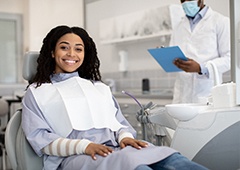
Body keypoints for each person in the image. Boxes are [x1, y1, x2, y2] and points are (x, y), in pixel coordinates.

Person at [21, 25, 208, 170]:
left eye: (78, 49)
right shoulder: (38, 93)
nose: (72, 54)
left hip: (118, 148)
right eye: (64, 48)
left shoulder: (99, 88)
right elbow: (41, 139)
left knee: (173, 159)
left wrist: (125, 137)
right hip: (76, 156)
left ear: (85, 55)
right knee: (138, 167)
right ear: (52, 52)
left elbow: (120, 124)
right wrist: (84, 146)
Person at [170, 0, 230, 103]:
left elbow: (229, 58)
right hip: (181, 97)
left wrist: (201, 68)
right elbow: (173, 54)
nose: (186, 2)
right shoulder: (178, 26)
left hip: (207, 94)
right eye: (183, 0)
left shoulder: (220, 21)